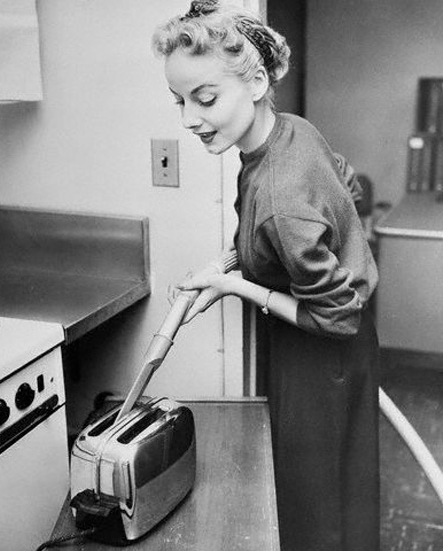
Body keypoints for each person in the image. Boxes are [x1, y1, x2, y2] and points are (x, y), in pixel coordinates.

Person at [152, 2, 380, 550]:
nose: (188, 119)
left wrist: (238, 285)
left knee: (310, 504)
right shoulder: (291, 132)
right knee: (346, 487)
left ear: (255, 82)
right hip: (346, 348)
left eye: (204, 99)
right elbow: (344, 190)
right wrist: (225, 264)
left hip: (321, 352)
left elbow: (334, 315)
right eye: (179, 101)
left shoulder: (279, 193)